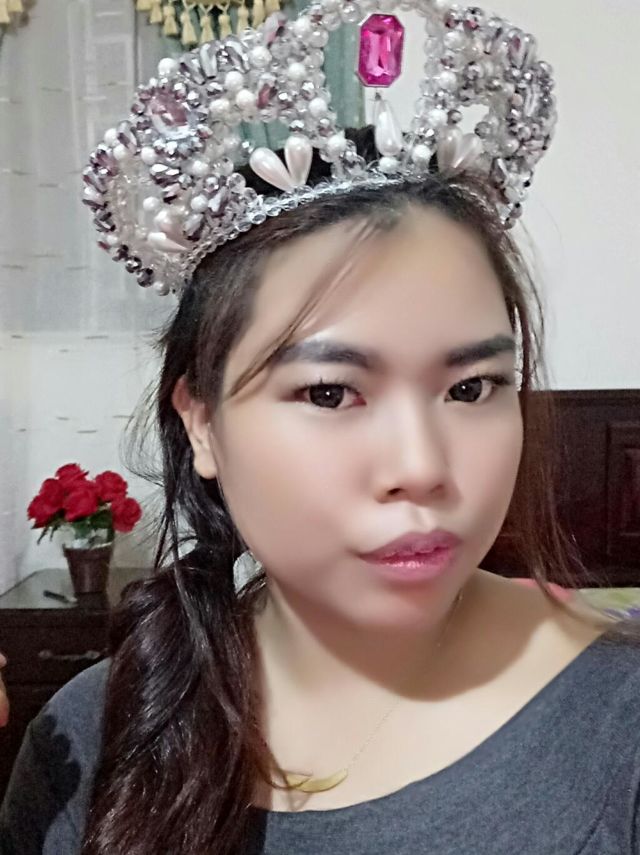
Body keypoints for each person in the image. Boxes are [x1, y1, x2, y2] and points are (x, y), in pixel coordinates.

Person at [2, 1, 639, 853]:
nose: (421, 465)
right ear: (202, 423)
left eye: (472, 386)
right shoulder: (91, 739)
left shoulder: (620, 725)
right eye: (332, 393)